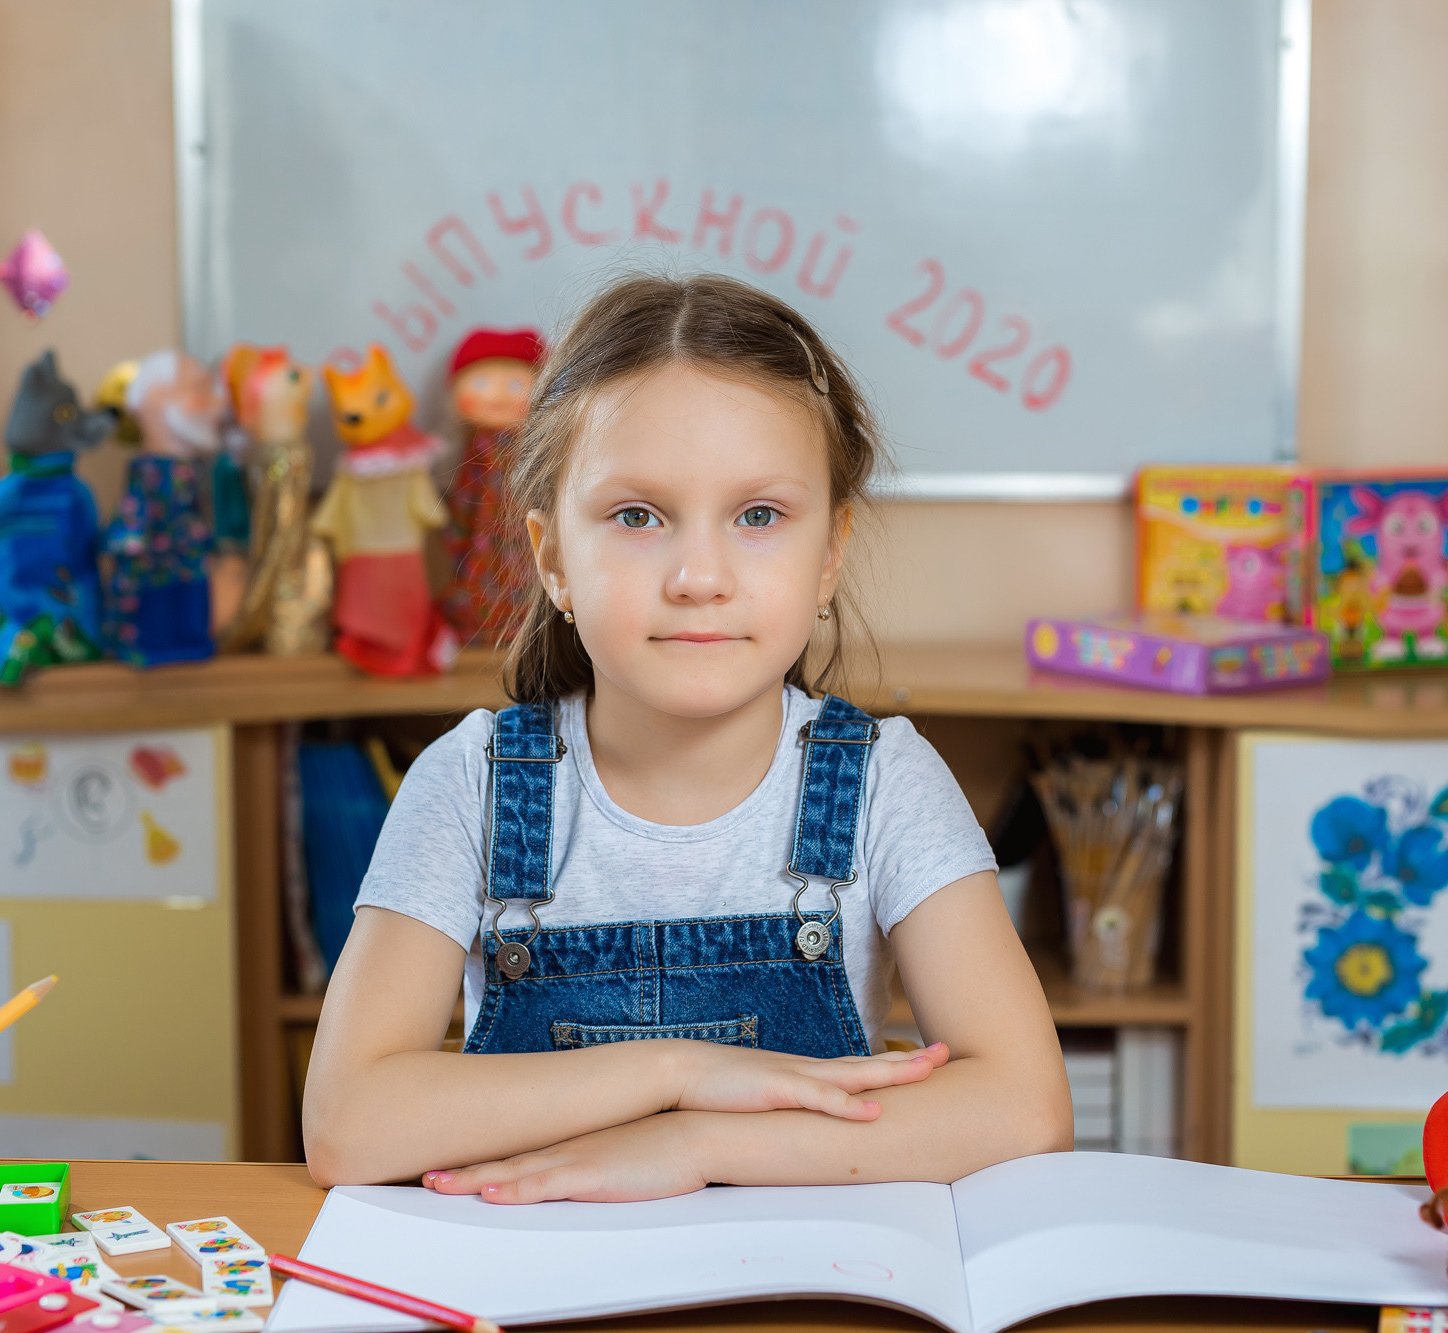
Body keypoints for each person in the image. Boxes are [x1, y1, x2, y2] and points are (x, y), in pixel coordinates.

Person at [303, 272, 1071, 1202]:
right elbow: (347, 1123)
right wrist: (677, 1073)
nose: (699, 576)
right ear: (552, 559)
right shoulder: (470, 782)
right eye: (637, 516)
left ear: (830, 554)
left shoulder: (881, 782)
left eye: (758, 516)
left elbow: (1025, 1107)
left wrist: (694, 1146)